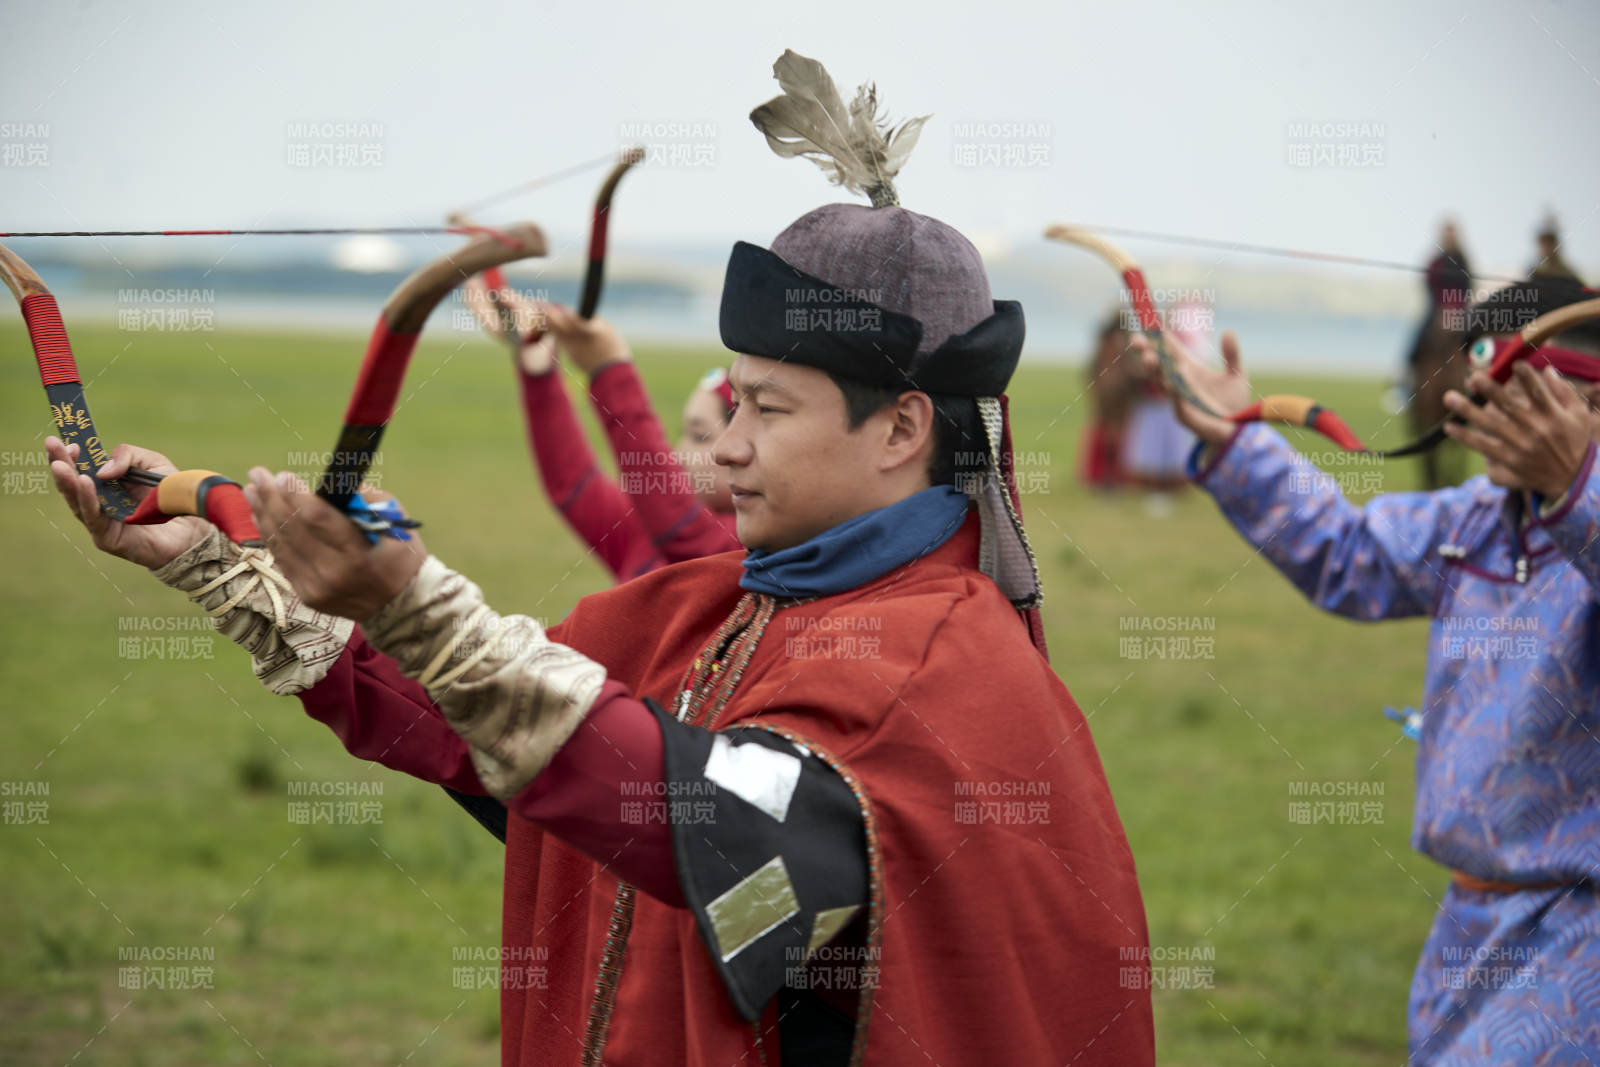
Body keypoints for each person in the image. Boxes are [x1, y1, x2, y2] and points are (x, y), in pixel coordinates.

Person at [45, 53, 1154, 1065]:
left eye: (767, 409)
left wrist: (423, 608)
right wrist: (217, 561)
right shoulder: (708, 605)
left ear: (903, 428)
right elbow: (483, 731)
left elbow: (725, 835)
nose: (725, 447)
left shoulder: (943, 663)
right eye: (731, 402)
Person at [1142, 277, 1600, 1066]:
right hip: (1467, 918)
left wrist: (1578, 489)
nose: (1481, 419)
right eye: (1479, 397)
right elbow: (1349, 553)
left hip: (1579, 935)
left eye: (1516, 399)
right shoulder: (1477, 519)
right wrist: (1234, 438)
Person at [461, 278, 740, 580]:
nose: (681, 453)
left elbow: (680, 527)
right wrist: (538, 363)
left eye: (700, 436)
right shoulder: (645, 532)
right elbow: (574, 486)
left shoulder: (749, 553)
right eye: (683, 433)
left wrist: (610, 371)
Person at [1406, 220, 1474, 489]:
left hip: (1459, 314)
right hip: (1436, 310)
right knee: (1414, 344)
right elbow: (1428, 285)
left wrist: (1456, 308)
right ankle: (1408, 386)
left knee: (1477, 348)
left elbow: (1467, 287)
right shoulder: (1435, 260)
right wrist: (1441, 306)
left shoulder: (1463, 260)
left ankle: (1477, 389)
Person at [1079, 311, 1138, 488]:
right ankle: (1111, 476)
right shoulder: (1121, 342)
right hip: (1115, 394)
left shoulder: (1106, 342)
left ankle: (1106, 475)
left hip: (1111, 394)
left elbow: (1094, 370)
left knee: (1107, 435)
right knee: (1114, 436)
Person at [1530, 212, 1584, 285]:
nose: (1547, 248)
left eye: (1550, 244)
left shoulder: (1567, 274)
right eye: (1544, 244)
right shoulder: (1535, 273)